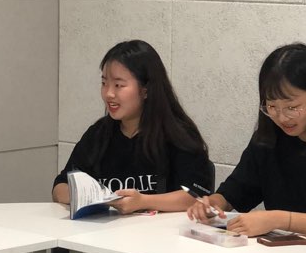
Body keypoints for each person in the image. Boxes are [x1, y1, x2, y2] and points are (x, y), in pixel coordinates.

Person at [188, 43, 306, 239]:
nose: (281, 117)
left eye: (292, 107)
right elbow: (233, 193)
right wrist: (212, 204)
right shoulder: (268, 139)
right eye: (271, 106)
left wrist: (279, 220)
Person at [53, 39, 213, 214]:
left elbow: (197, 196)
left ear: (146, 90)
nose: (109, 93)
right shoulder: (98, 134)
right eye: (104, 83)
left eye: (118, 85)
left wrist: (143, 201)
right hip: (107, 229)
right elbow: (60, 186)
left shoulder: (178, 134)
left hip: (161, 230)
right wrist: (90, 196)